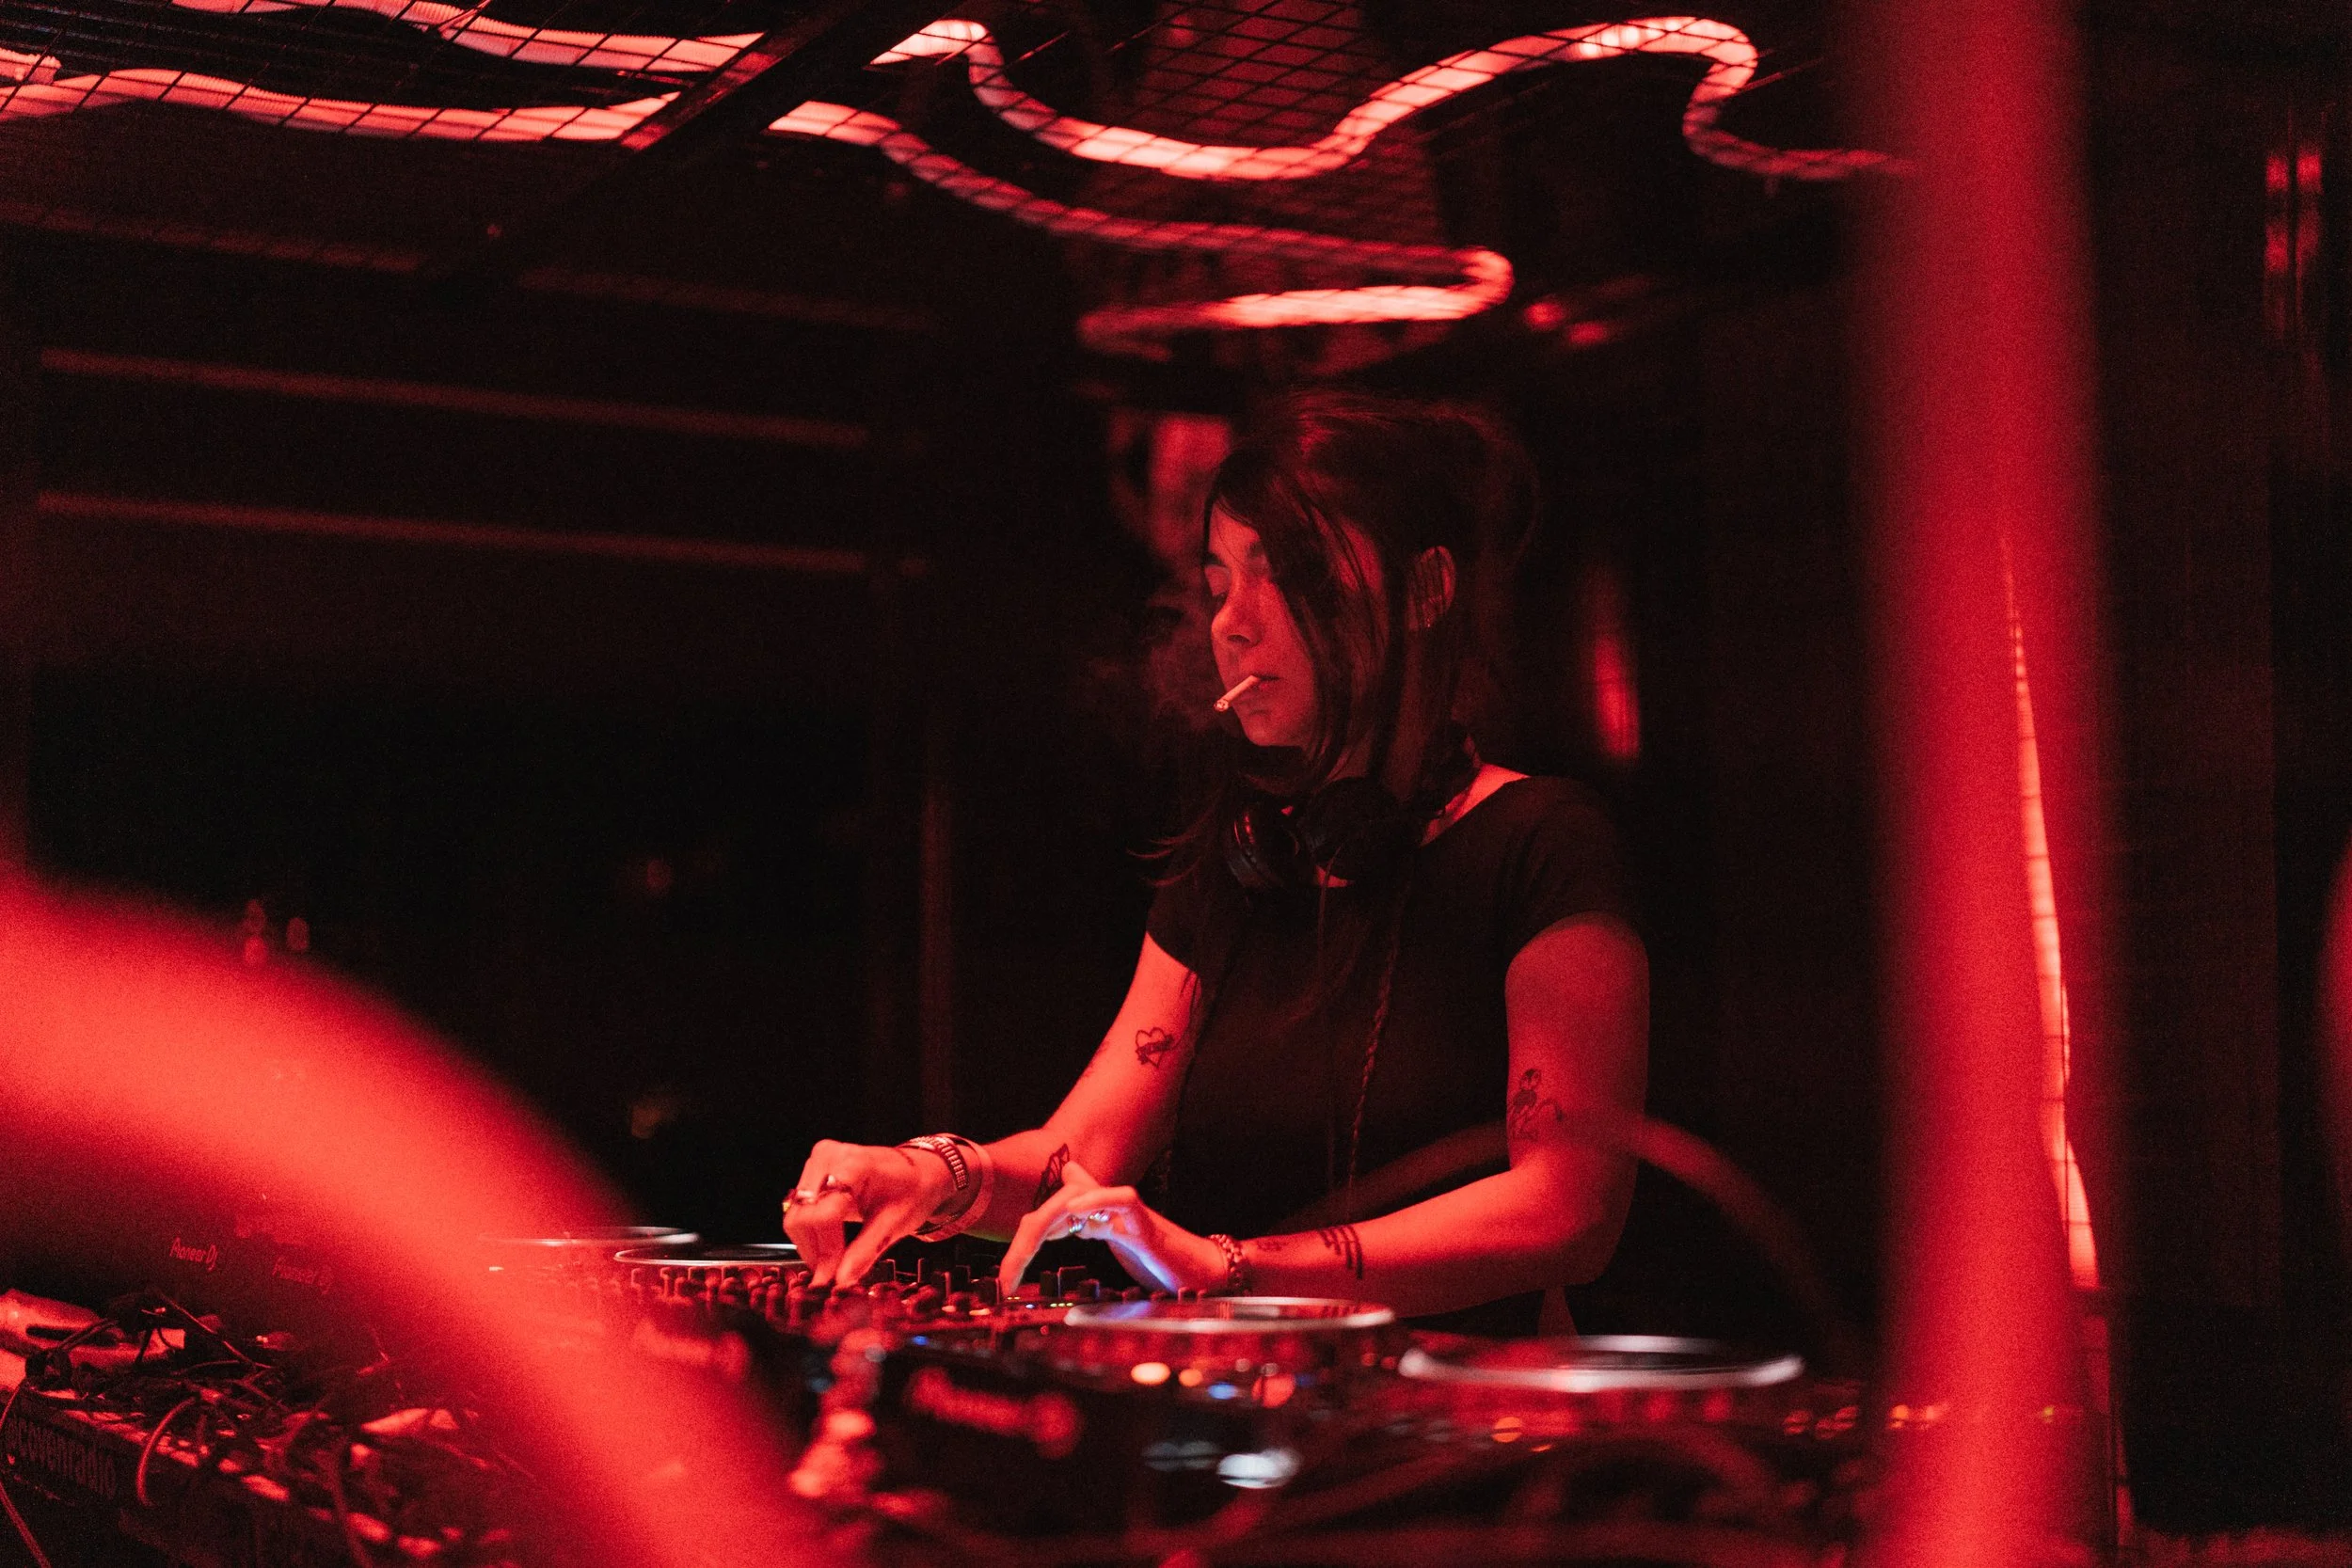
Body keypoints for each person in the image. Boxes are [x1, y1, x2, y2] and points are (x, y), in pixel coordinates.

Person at [784, 390, 1647, 1330]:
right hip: (1257, 1431)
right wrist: (926, 1173)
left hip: (1470, 1437)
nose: (1231, 622)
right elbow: (1080, 1154)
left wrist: (1226, 1267)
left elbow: (1568, 1209)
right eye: (1220, 579)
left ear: (1425, 590)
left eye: (1287, 573)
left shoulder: (1542, 841)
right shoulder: (1241, 861)